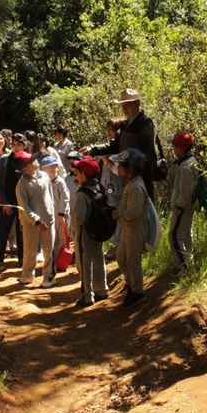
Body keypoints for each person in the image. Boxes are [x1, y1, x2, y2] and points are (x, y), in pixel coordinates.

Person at [81, 88, 160, 200]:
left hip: (139, 181)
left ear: (137, 103)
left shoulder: (145, 123)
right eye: (122, 104)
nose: (124, 108)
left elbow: (149, 156)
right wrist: (93, 149)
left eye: (128, 104)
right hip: (127, 179)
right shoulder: (126, 124)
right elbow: (114, 146)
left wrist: (142, 179)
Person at [109, 148, 150, 307]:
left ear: (130, 168)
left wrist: (118, 213)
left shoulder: (135, 187)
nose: (118, 167)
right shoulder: (131, 183)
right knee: (121, 257)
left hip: (136, 228)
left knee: (133, 260)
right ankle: (130, 284)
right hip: (128, 227)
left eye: (121, 165)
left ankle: (137, 292)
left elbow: (134, 211)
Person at [69, 157, 109, 307]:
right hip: (99, 231)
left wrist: (74, 225)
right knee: (99, 260)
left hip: (85, 233)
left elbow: (78, 218)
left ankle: (87, 296)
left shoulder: (82, 194)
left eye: (78, 172)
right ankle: (102, 289)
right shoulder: (100, 187)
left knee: (85, 264)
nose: (76, 174)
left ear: (84, 174)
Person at [15, 151, 57, 287]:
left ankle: (48, 277)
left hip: (48, 219)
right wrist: (37, 221)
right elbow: (24, 207)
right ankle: (27, 275)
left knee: (48, 249)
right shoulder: (22, 184)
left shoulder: (44, 176)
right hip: (31, 223)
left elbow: (50, 196)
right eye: (32, 160)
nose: (35, 161)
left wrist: (52, 213)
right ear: (25, 168)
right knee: (29, 249)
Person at [0, 133, 26, 271]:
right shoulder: (5, 160)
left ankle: (22, 259)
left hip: (23, 204)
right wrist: (4, 201)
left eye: (19, 145)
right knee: (3, 230)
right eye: (14, 145)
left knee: (21, 231)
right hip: (7, 203)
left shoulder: (27, 161)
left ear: (24, 146)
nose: (16, 148)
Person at [169, 132, 199, 275]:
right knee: (186, 235)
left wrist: (179, 206)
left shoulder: (186, 167)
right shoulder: (190, 161)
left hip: (183, 207)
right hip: (188, 206)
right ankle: (189, 265)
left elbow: (186, 191)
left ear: (181, 149)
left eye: (174, 147)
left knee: (174, 236)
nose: (173, 150)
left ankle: (182, 267)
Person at [100, 117, 126, 260]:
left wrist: (105, 160)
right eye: (108, 129)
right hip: (110, 189)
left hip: (118, 188)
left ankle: (117, 247)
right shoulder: (110, 145)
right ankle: (116, 245)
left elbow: (117, 169)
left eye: (111, 129)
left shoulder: (119, 147)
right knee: (112, 216)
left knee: (118, 217)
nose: (108, 132)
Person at [40, 154, 70, 271]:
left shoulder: (60, 182)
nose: (51, 169)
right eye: (48, 167)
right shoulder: (44, 183)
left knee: (61, 239)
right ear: (43, 170)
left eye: (54, 166)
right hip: (49, 216)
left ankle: (60, 262)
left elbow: (65, 199)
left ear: (57, 167)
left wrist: (61, 215)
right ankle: (52, 261)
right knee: (52, 239)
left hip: (60, 215)